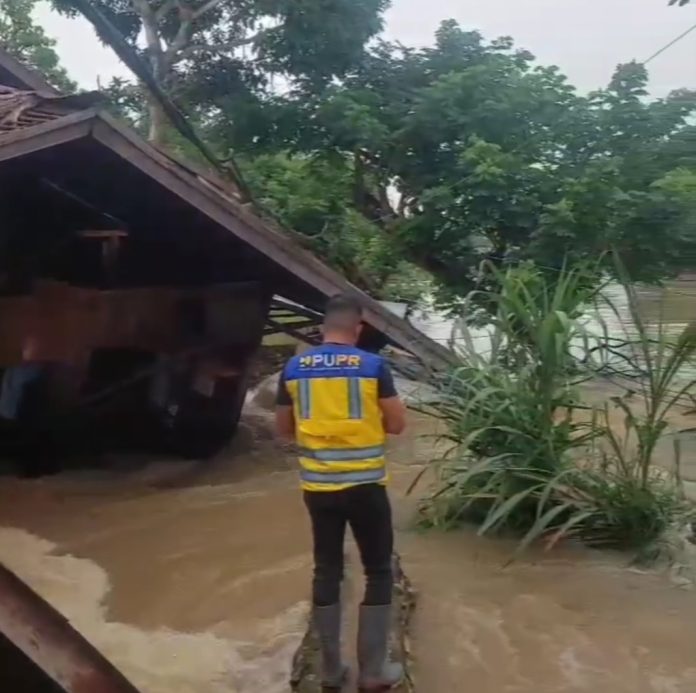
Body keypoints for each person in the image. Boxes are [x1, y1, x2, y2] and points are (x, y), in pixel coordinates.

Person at [276, 294, 407, 691]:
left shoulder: (294, 368)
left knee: (327, 569)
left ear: (321, 328)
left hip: (319, 487)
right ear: (360, 328)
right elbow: (398, 424)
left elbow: (284, 429)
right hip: (366, 485)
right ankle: (372, 672)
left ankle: (331, 672)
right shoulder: (373, 365)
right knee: (379, 569)